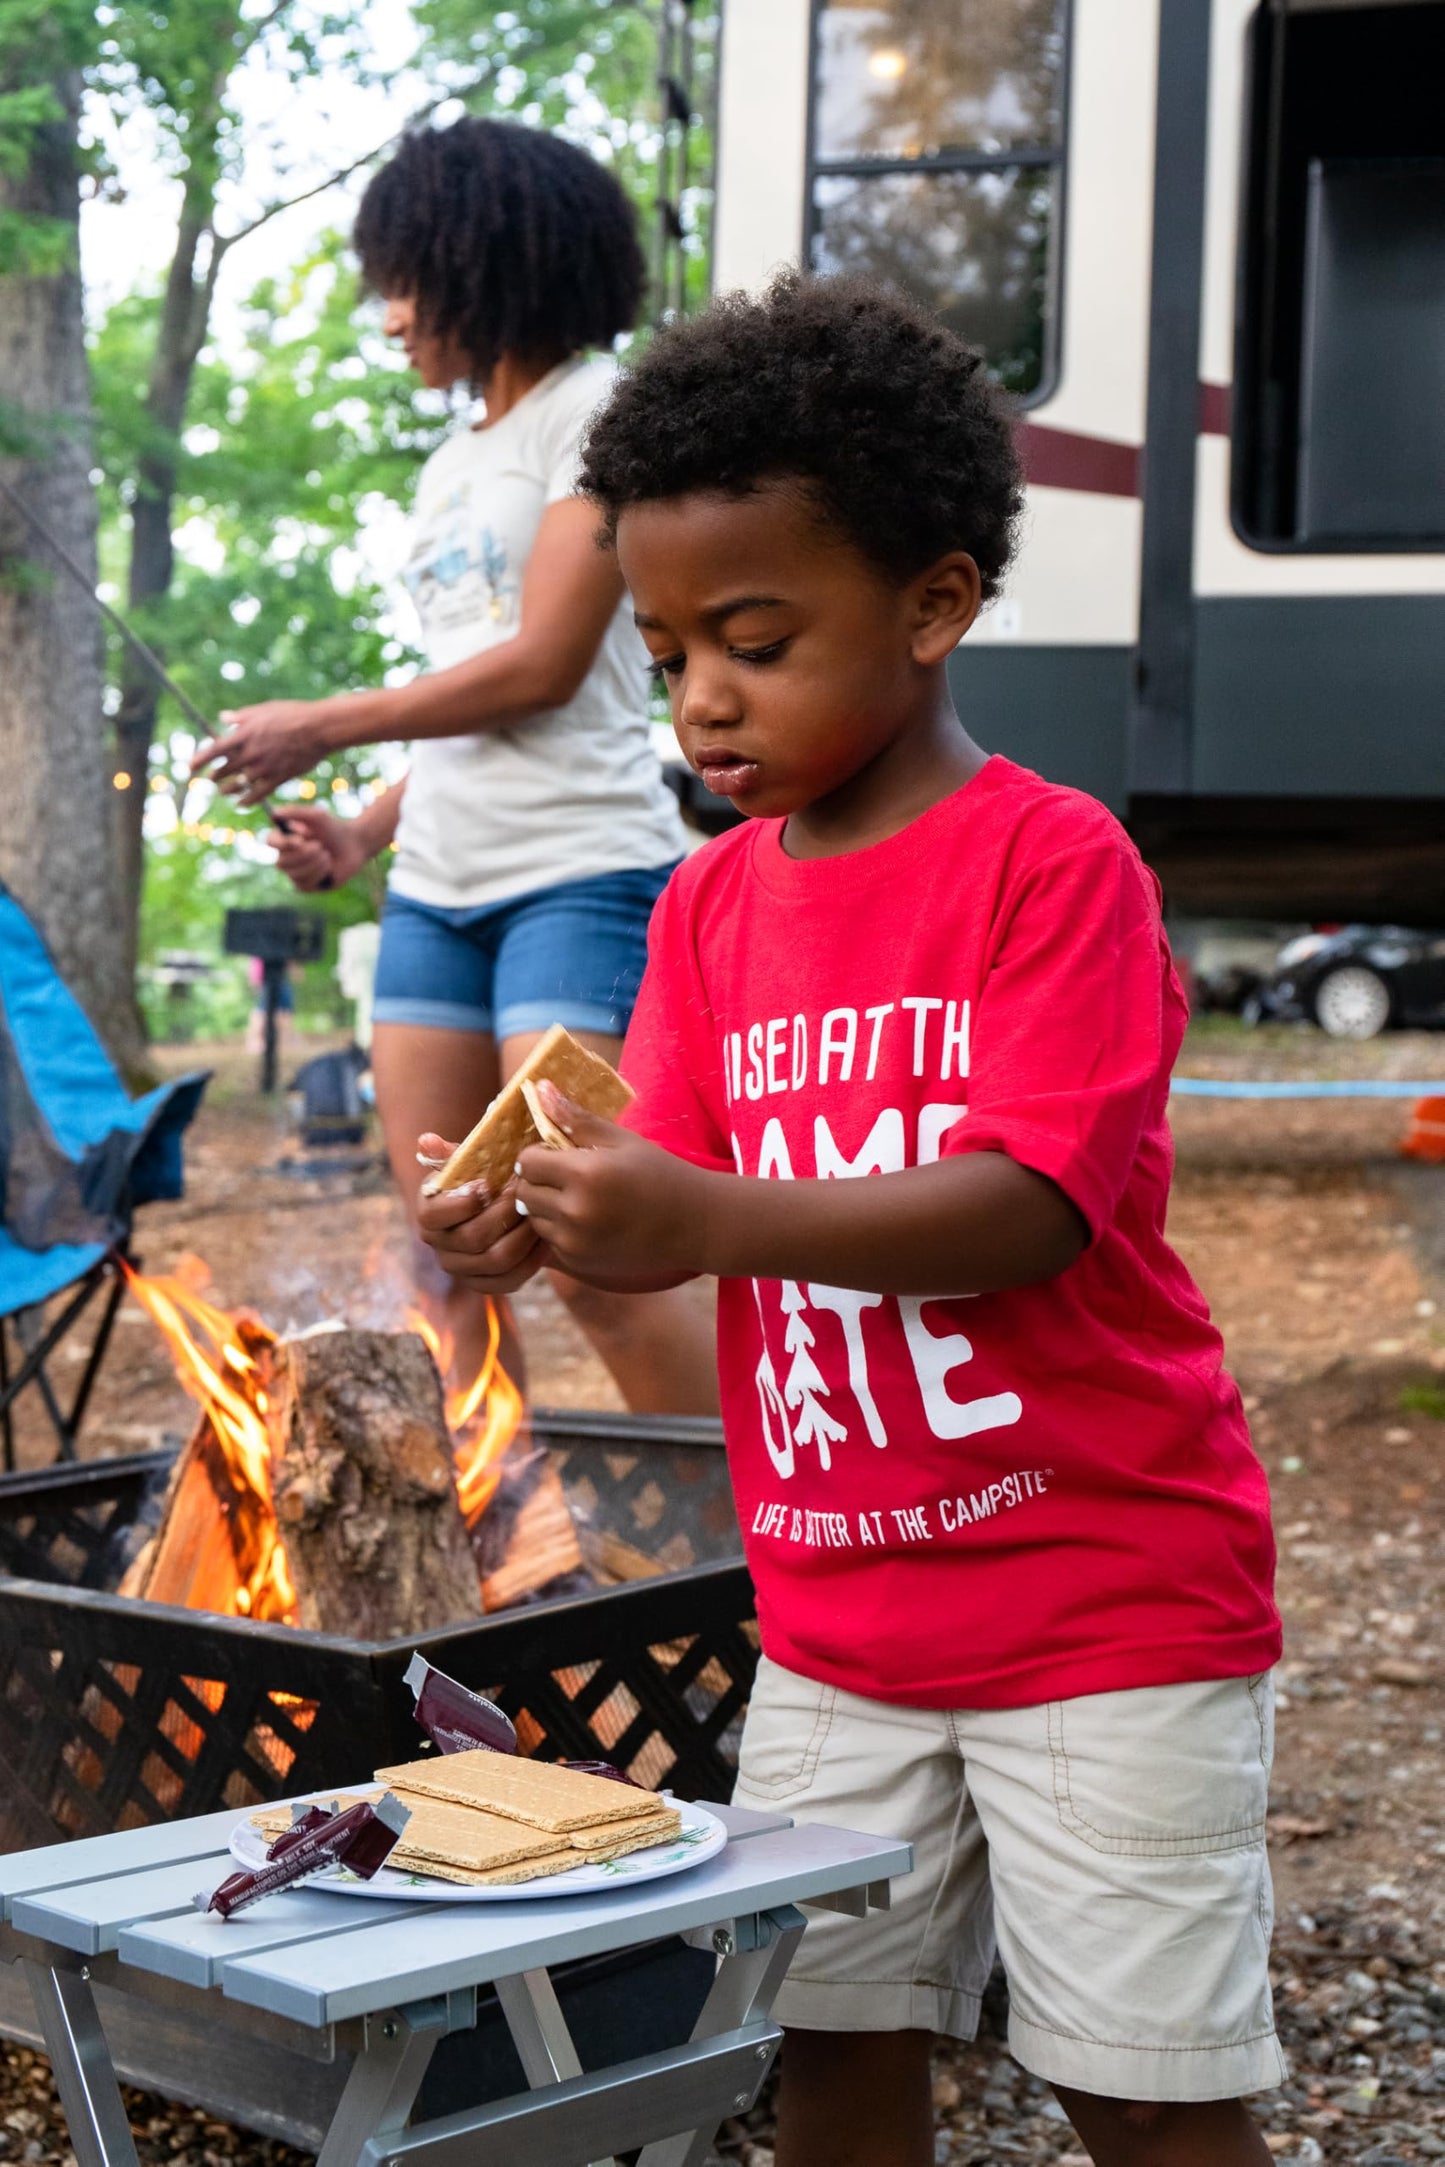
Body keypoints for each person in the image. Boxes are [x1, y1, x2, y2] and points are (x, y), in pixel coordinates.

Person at [415, 273, 1284, 2167]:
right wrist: (548, 1230)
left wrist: (698, 1205)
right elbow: (665, 1220)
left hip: (1100, 1607)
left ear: (933, 603)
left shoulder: (1049, 865)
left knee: (1138, 2082)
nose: (702, 694)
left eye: (754, 635)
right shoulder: (712, 909)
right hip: (835, 1624)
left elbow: (1027, 1213)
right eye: (665, 652)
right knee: (825, 2047)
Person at [190, 118, 713, 1415]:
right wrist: (366, 833)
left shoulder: (597, 409)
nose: (389, 320)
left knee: (590, 1252)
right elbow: (462, 698)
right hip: (434, 894)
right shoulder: (445, 467)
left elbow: (541, 665)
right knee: (449, 1253)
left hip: (580, 880)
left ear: (487, 262)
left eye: (405, 283)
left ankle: (747, 1560)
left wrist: (318, 721)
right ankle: (488, 1568)